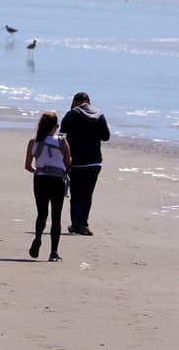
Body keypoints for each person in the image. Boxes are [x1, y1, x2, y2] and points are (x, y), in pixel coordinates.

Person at [59, 92, 110, 236]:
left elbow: (62, 134)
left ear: (75, 102)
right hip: (94, 161)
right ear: (89, 101)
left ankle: (76, 224)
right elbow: (106, 136)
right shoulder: (99, 114)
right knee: (87, 194)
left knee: (75, 193)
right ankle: (83, 224)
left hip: (75, 161)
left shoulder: (72, 114)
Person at [25, 111, 71, 262]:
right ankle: (54, 252)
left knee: (42, 213)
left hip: (41, 179)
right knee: (56, 216)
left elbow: (28, 166)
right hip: (57, 180)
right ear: (54, 126)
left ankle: (38, 237)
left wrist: (38, 171)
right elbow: (68, 163)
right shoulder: (62, 141)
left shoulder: (33, 142)